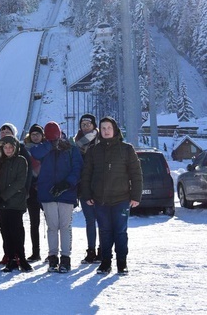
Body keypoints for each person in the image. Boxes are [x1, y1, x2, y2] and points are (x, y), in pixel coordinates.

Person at [80, 117, 142, 275]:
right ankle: (105, 262)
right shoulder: (94, 151)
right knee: (105, 231)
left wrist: (136, 196)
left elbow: (136, 174)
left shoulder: (126, 149)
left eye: (109, 127)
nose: (106, 130)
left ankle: (122, 263)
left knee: (120, 232)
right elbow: (86, 174)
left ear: (115, 129)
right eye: (103, 128)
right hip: (100, 200)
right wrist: (87, 194)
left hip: (121, 199)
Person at [30, 121, 82, 273]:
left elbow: (77, 168)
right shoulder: (43, 148)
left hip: (66, 192)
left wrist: (67, 184)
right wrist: (50, 144)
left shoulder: (71, 149)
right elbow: (35, 153)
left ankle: (65, 258)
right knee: (53, 227)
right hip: (47, 193)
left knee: (64, 226)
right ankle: (53, 257)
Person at [0, 135, 32, 273]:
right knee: (6, 232)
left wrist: (4, 196)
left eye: (10, 147)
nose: (8, 150)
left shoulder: (21, 161)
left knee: (16, 231)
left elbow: (20, 182)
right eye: (6, 147)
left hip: (14, 203)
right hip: (1, 204)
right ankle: (11, 260)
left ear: (15, 148)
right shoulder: (0, 162)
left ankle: (22, 258)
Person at [74, 113, 101, 264]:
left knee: (103, 221)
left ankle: (102, 250)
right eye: (83, 124)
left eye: (88, 124)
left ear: (93, 125)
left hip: (100, 186)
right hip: (84, 186)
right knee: (90, 221)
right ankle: (91, 250)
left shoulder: (100, 140)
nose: (85, 127)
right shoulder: (76, 142)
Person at [23, 124, 45, 262]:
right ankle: (35, 252)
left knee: (52, 223)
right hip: (32, 190)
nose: (35, 136)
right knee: (34, 222)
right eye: (33, 134)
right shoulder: (26, 150)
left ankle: (53, 253)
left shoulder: (47, 148)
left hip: (45, 188)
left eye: (38, 134)